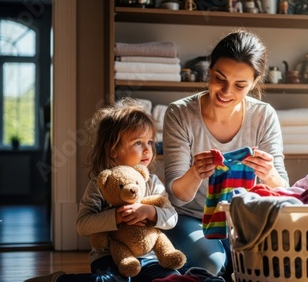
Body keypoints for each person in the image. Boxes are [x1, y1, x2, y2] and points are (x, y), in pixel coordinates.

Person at [161, 29, 290, 277]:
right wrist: (196, 173)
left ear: (254, 83)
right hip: (191, 218)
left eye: (240, 85)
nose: (226, 91)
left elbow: (283, 189)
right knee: (211, 262)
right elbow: (177, 197)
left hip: (245, 219)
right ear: (209, 70)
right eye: (219, 78)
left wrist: (270, 174)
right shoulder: (180, 113)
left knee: (270, 262)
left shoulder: (264, 116)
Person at [25, 98, 181, 282]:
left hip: (149, 257)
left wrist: (150, 211)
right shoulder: (101, 184)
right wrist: (116, 217)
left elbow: (172, 218)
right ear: (113, 149)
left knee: (173, 279)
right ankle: (58, 280)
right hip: (109, 257)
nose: (148, 150)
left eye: (150, 142)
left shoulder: (152, 182)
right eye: (138, 143)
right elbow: (83, 224)